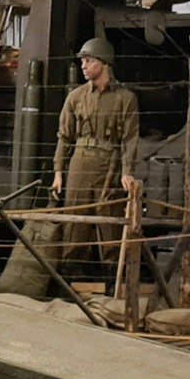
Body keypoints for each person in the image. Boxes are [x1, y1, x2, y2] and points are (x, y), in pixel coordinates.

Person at [50, 36, 142, 279]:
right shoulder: (76, 97)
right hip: (80, 160)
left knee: (109, 217)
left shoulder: (125, 98)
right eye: (83, 61)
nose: (83, 66)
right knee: (75, 216)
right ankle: (71, 273)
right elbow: (64, 136)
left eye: (89, 61)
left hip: (110, 162)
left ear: (104, 63)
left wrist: (127, 171)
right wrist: (58, 172)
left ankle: (112, 274)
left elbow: (130, 138)